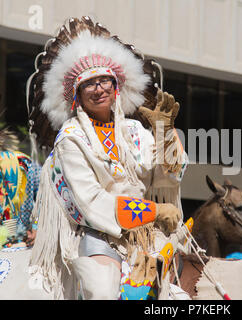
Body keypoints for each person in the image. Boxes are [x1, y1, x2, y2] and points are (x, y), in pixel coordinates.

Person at [26, 16, 188, 299]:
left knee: (178, 297)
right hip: (98, 240)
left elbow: (166, 179)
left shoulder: (135, 131)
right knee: (102, 291)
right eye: (90, 83)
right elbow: (92, 203)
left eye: (105, 81)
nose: (99, 88)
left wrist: (166, 138)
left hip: (146, 241)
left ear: (116, 88)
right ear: (76, 95)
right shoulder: (71, 138)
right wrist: (154, 211)